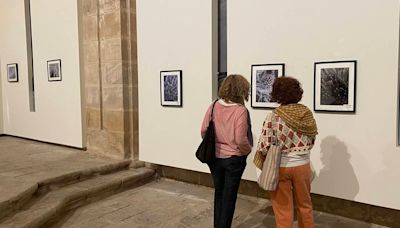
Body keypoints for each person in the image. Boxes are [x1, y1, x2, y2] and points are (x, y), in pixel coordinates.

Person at [254, 77, 318, 228]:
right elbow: (312, 139)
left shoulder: (274, 115)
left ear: (277, 94)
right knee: (305, 205)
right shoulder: (306, 113)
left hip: (280, 167)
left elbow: (264, 145)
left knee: (283, 209)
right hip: (303, 166)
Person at [201, 74, 253, 228]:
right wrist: (247, 150)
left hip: (214, 158)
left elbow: (204, 130)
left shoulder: (214, 105)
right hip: (233, 159)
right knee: (229, 198)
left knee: (219, 193)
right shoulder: (240, 111)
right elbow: (240, 139)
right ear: (241, 90)